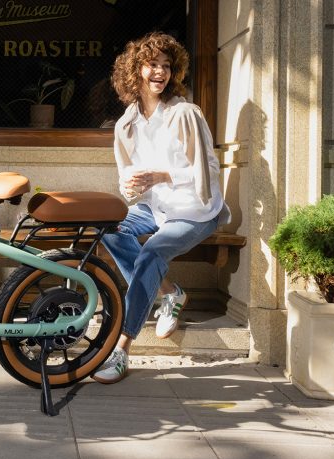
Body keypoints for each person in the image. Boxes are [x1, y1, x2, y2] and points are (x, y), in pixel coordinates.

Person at [92, 32, 230, 384]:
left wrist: (161, 175)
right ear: (135, 70)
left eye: (167, 66)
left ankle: (122, 348)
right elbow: (128, 180)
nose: (160, 72)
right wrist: (131, 186)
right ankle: (168, 292)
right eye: (152, 64)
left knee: (152, 253)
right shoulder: (127, 123)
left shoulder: (185, 114)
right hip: (156, 208)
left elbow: (208, 170)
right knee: (107, 225)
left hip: (195, 210)